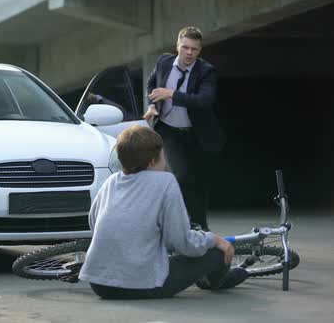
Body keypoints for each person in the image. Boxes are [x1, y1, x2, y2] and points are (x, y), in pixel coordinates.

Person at [78, 125, 247, 299]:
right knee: (217, 252)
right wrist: (215, 239)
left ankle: (204, 277)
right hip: (142, 285)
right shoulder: (165, 182)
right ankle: (217, 281)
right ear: (152, 161)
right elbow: (182, 243)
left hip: (100, 285)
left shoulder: (111, 182)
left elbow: (94, 221)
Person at [143, 26, 225, 231]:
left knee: (199, 184)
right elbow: (151, 85)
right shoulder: (163, 62)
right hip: (169, 131)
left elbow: (204, 101)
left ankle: (200, 227)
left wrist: (171, 94)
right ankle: (174, 223)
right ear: (177, 46)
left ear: (200, 50)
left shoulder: (206, 71)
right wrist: (152, 105)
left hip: (197, 135)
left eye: (194, 49)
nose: (189, 53)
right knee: (181, 176)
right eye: (185, 47)